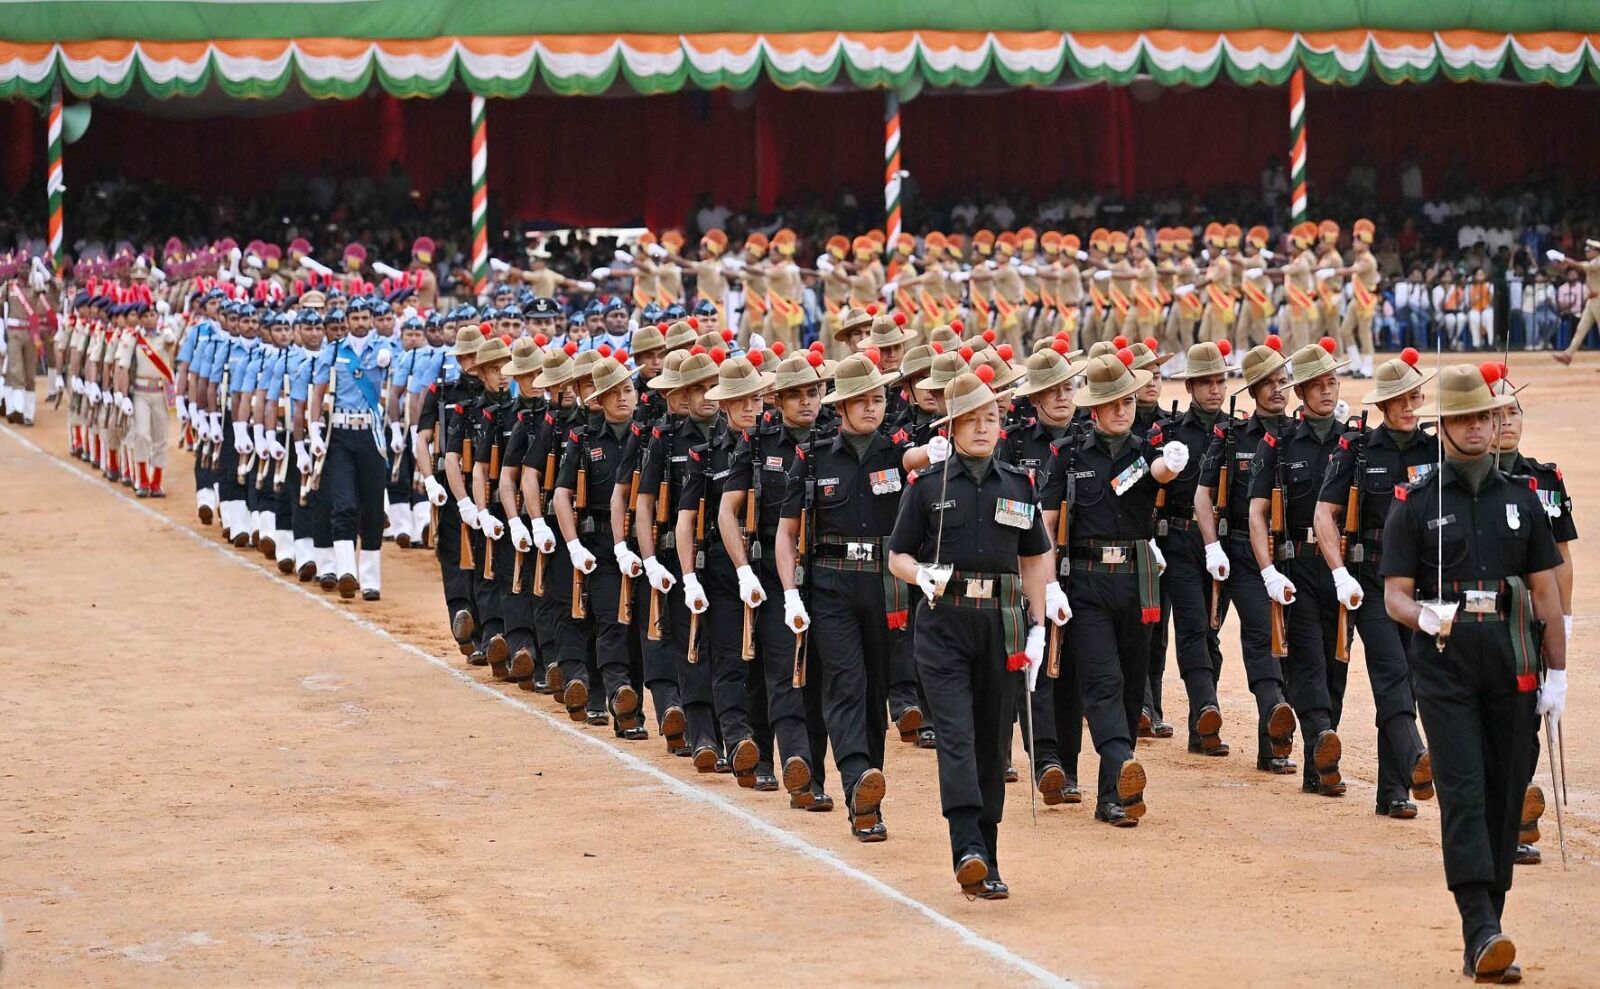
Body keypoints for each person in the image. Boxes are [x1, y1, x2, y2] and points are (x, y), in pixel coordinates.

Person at [1380, 363, 1567, 984]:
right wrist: (1423, 615)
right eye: (1462, 419)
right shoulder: (1416, 503)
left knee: (1505, 794)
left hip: (1514, 662)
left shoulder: (1523, 500)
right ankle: (1479, 927)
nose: (1477, 428)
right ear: (1443, 428)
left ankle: (1491, 922)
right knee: (1462, 792)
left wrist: (1558, 675)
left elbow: (1546, 592)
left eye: (1484, 416)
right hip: (1446, 667)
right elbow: (1395, 595)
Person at [888, 369, 1060, 897]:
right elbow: (896, 555)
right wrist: (919, 574)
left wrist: (1038, 628)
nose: (984, 428)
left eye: (991, 418)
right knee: (957, 736)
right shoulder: (927, 487)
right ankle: (966, 846)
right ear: (953, 427)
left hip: (1001, 626)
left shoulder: (1018, 485)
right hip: (944, 625)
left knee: (992, 742)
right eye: (972, 420)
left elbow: (1034, 559)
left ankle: (988, 852)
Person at [1040, 351, 1185, 827]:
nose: (1122, 410)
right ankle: (1124, 766)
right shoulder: (1069, 455)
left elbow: (1160, 473)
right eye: (1113, 403)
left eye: (1127, 401)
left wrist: (1172, 464)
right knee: (1103, 681)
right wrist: (1049, 586)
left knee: (1130, 686)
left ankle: (1112, 796)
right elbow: (1047, 524)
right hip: (1086, 581)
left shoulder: (1146, 450)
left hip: (1137, 581)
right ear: (1095, 409)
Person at [777, 353, 912, 841]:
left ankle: (868, 793)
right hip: (831, 586)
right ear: (843, 407)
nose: (872, 408)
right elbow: (787, 532)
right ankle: (857, 781)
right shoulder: (814, 457)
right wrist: (790, 594)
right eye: (862, 400)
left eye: (878, 399)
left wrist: (940, 450)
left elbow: (917, 460)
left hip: (884, 585)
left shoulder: (896, 450)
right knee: (845, 684)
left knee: (875, 693)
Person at [1313, 352, 1437, 818]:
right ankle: (1416, 756)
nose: (1409, 405)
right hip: (1373, 581)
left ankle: (1392, 791)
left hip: (1421, 582)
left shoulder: (1434, 451)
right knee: (1391, 672)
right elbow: (1324, 514)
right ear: (1383, 404)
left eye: (1415, 396)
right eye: (1400, 398)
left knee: (1411, 676)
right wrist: (1339, 573)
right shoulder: (1359, 449)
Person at [1247, 339, 1350, 798]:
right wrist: (1268, 571)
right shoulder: (1279, 444)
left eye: (1332, 382)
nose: (1326, 391)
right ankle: (1321, 745)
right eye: (1317, 385)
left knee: (1337, 665)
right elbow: (1257, 513)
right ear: (1302, 393)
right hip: (1299, 567)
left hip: (1343, 569)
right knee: (1307, 661)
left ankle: (1318, 759)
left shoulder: (1354, 442)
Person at [1196, 338, 1299, 773]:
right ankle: (1274, 720)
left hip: (1293, 551)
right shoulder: (1232, 436)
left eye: (1282, 381)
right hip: (1242, 549)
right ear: (1253, 391)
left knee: (1292, 643)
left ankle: (1270, 744)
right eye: (1268, 383)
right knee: (1261, 634)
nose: (1277, 389)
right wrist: (1212, 546)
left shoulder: (1299, 435)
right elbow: (1203, 496)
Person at [1488, 375, 1577, 866]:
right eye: (1496, 413)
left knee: (1525, 723)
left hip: (1529, 626)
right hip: (1480, 622)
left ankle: (1515, 814)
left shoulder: (1544, 480)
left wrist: (1565, 619)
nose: (1506, 422)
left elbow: (1561, 557)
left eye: (1513, 412)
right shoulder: (1458, 481)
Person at [675, 353, 768, 780]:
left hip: (769, 563)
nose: (750, 407)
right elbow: (686, 519)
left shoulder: (775, 446)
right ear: (725, 405)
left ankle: (762, 749)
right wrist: (689, 577)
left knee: (765, 661)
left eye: (756, 399)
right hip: (722, 565)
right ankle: (736, 738)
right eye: (741, 401)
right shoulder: (707, 456)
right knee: (728, 655)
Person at [1003, 346, 1088, 803]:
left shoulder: (1089, 436)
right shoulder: (1015, 443)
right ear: (1035, 398)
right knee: (1034, 665)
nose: (1062, 397)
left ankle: (1067, 766)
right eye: (1052, 391)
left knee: (1071, 670)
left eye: (1068, 388)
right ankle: (1046, 761)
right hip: (1026, 566)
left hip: (1082, 569)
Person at [307, 296, 395, 600]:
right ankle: (347, 571)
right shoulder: (333, 351)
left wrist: (388, 360)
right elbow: (318, 393)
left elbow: (396, 379)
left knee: (372, 506)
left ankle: (371, 581)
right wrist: (314, 431)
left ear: (371, 319)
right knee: (343, 503)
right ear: (346, 321)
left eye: (364, 317)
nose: (359, 323)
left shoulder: (384, 348)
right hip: (340, 435)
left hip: (371, 434)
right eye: (354, 318)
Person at [1549, 239, 1600, 364]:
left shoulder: (1598, 261)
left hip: (1598, 300)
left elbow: (1578, 265)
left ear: (1596, 251)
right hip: (1592, 300)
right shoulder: (1593, 262)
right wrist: (1565, 262)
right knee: (1581, 329)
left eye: (1589, 249)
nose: (1587, 251)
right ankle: (1568, 354)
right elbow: (1577, 265)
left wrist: (1562, 258)